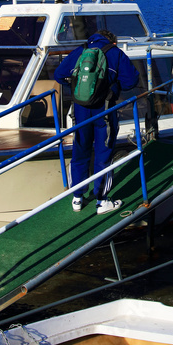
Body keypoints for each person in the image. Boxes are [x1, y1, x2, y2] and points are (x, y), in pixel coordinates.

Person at [54, 29, 139, 213]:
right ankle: (101, 201)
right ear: (113, 41)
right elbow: (131, 81)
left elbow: (59, 74)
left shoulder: (81, 50)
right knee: (103, 153)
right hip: (104, 110)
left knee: (80, 151)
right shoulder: (115, 53)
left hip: (80, 110)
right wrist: (112, 87)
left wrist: (76, 87)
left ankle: (77, 198)